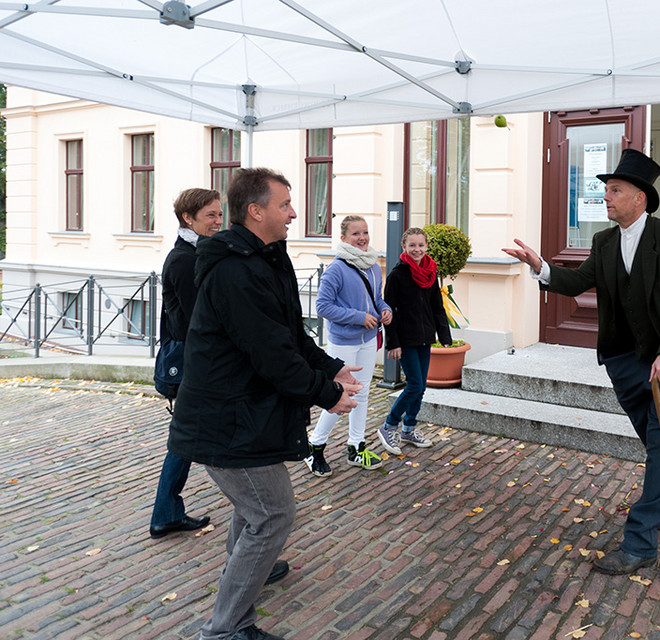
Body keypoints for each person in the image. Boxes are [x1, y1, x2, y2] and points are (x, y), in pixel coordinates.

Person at [503, 149, 660, 575]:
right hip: (627, 366)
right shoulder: (605, 242)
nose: (606, 197)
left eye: (615, 190)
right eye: (605, 191)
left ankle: (639, 544)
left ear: (640, 198)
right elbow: (577, 281)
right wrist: (540, 266)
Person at [168, 168, 362, 640]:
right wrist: (327, 395)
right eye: (284, 205)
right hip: (227, 419)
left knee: (255, 513)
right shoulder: (236, 271)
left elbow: (290, 334)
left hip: (245, 417)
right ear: (256, 211)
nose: (294, 212)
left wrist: (330, 366)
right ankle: (225, 628)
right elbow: (270, 354)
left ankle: (236, 601)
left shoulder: (266, 257)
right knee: (273, 513)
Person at [149, 188, 220, 540]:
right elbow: (195, 320)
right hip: (193, 365)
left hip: (197, 363)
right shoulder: (183, 259)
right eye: (211, 215)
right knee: (186, 439)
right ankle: (164, 514)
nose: (219, 221)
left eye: (220, 214)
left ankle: (166, 513)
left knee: (186, 439)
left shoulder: (198, 252)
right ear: (188, 218)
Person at [305, 215, 392, 474]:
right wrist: (358, 317)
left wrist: (385, 310)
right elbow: (322, 306)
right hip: (344, 342)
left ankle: (356, 446)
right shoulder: (336, 269)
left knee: (362, 393)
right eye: (355, 234)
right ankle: (315, 446)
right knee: (341, 394)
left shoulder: (374, 266)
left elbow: (377, 298)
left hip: (368, 340)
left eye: (365, 232)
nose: (362, 238)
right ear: (343, 239)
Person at [377, 228, 451, 455]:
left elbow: (437, 307)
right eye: (412, 245)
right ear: (404, 247)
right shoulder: (397, 275)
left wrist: (444, 336)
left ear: (426, 247)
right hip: (406, 340)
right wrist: (393, 343)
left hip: (425, 337)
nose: (417, 249)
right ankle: (389, 425)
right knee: (415, 385)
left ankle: (409, 429)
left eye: (420, 245)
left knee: (420, 388)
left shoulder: (430, 272)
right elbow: (389, 311)